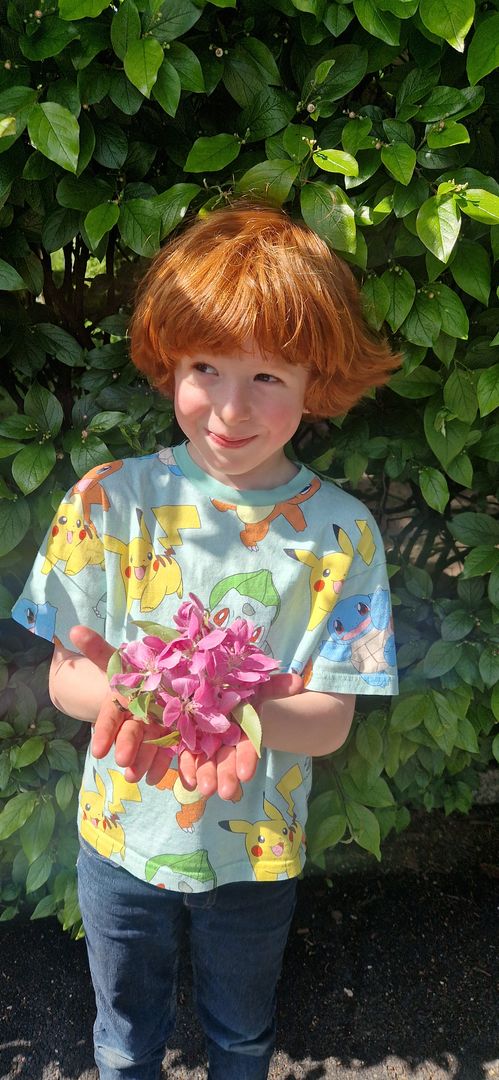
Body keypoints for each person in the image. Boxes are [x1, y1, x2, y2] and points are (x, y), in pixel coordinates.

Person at [13, 203, 399, 1080]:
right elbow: (66, 674)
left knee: (241, 1036)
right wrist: (137, 695)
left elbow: (329, 721)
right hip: (118, 833)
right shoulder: (107, 501)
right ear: (169, 364)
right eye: (204, 368)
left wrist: (233, 708)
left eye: (266, 375)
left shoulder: (342, 535)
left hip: (256, 850)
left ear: (315, 377)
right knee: (123, 1040)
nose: (230, 407)